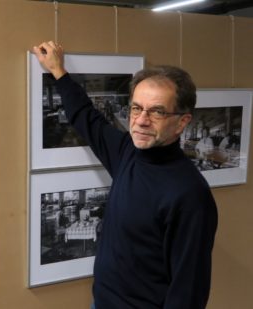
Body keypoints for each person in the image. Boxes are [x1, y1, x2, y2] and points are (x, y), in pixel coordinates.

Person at [33, 41, 218, 309]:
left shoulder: (190, 195)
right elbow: (87, 118)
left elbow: (188, 292)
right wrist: (58, 72)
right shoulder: (127, 153)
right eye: (136, 108)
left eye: (157, 111)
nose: (141, 120)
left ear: (182, 121)